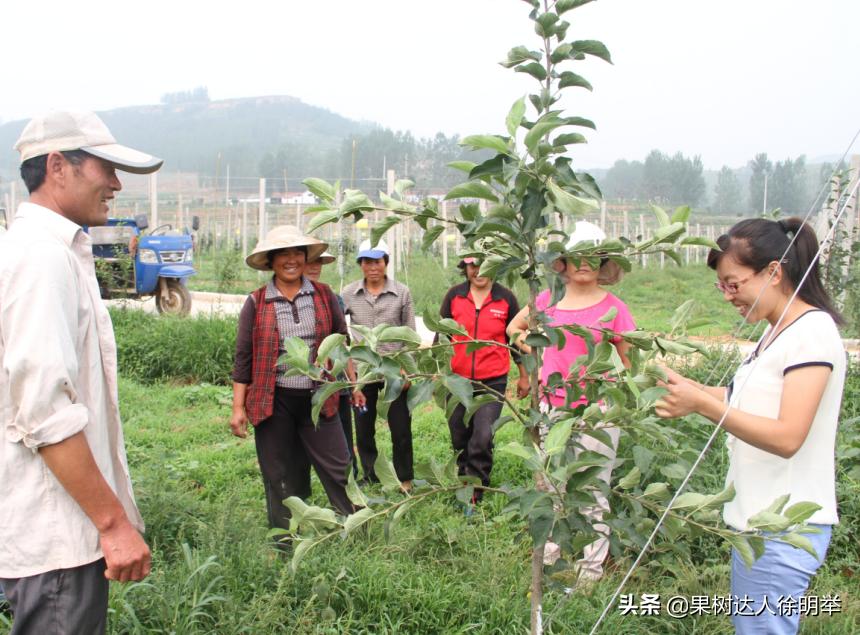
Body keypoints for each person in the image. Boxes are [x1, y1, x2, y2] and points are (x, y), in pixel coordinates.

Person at [0, 111, 159, 634]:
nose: (115, 183)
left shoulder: (52, 252)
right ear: (57, 166)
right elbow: (45, 409)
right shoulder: (42, 258)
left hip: (53, 531)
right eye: (105, 168)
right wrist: (112, 524)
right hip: (56, 538)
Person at [654, 217, 846, 635]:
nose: (728, 297)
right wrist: (694, 390)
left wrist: (703, 404)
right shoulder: (777, 333)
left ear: (774, 272)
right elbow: (750, 398)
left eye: (733, 284)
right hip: (758, 522)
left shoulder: (811, 334)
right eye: (722, 286)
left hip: (782, 528)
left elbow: (788, 435)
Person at [507, 221, 636, 580]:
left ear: (602, 262)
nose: (584, 263)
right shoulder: (548, 300)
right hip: (550, 408)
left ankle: (589, 571)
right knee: (549, 484)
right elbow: (514, 328)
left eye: (593, 257)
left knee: (594, 488)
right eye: (577, 256)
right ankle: (549, 558)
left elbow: (631, 360)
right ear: (563, 261)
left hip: (597, 412)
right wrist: (531, 346)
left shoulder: (614, 308)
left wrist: (628, 397)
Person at [230, 226, 355, 538]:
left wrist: (351, 380)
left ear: (305, 258)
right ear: (271, 262)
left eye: (297, 253)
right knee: (280, 475)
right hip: (274, 402)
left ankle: (354, 532)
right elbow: (243, 357)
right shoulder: (257, 302)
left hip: (319, 398)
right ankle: (286, 541)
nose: (291, 260)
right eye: (283, 254)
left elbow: (342, 340)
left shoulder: (324, 296)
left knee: (339, 469)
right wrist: (237, 407)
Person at [440, 257, 529, 503]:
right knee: (459, 434)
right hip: (457, 380)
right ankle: (463, 479)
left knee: (482, 435)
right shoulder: (454, 296)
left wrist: (523, 375)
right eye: (472, 266)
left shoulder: (506, 298)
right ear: (465, 269)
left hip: (493, 380)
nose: (478, 271)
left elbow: (515, 339)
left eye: (484, 265)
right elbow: (443, 335)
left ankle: (477, 491)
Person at [342, 239, 416, 490]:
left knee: (401, 429)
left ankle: (405, 479)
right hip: (363, 375)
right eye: (366, 262)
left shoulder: (402, 293)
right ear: (360, 265)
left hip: (394, 372)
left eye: (377, 261)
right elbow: (342, 337)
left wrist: (407, 371)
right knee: (363, 428)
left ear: (386, 262)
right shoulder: (349, 295)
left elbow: (410, 334)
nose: (372, 267)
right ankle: (371, 474)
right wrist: (352, 379)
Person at [304, 250, 358, 477]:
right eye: (310, 261)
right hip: (304, 380)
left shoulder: (332, 297)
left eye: (319, 262)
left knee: (344, 432)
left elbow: (342, 342)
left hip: (335, 378)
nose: (315, 266)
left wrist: (354, 382)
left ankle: (351, 479)